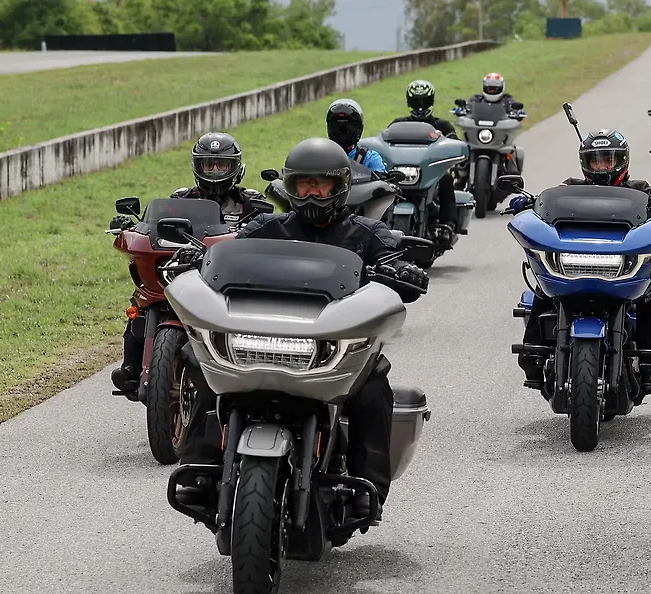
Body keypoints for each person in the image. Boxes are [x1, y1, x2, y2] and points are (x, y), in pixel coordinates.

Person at [173, 138, 429, 524]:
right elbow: (225, 258)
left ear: (339, 187)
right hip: (259, 340)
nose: (312, 194)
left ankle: (369, 486)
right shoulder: (266, 227)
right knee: (199, 359)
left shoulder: (366, 234)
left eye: (321, 185)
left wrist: (405, 270)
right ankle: (199, 464)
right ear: (289, 188)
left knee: (374, 380)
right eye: (302, 185)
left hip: (328, 346)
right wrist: (202, 257)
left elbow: (399, 264)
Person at [510, 129, 651, 391]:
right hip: (574, 265)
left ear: (622, 161)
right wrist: (529, 203)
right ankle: (533, 351)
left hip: (621, 267)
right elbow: (546, 208)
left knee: (648, 291)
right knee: (542, 284)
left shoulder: (641, 190)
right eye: (596, 161)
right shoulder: (570, 189)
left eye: (608, 160)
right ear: (585, 163)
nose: (602, 166)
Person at [108, 132, 265, 394]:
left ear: (236, 167)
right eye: (208, 165)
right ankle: (131, 366)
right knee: (141, 302)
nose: (214, 171)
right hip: (185, 268)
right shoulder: (181, 199)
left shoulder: (250, 202)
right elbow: (157, 226)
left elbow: (267, 228)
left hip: (228, 276)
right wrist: (132, 225)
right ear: (197, 166)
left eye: (221, 165)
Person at [390, 79, 460, 250]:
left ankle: (449, 224)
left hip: (430, 172)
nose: (420, 106)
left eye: (424, 101)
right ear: (409, 101)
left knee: (446, 179)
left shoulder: (442, 125)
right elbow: (385, 142)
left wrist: (452, 144)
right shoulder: (398, 124)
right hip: (405, 171)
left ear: (431, 100)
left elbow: (455, 142)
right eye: (416, 101)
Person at [326, 98, 387, 173]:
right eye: (338, 126)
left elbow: (382, 182)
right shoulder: (322, 157)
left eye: (348, 126)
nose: (343, 130)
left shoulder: (369, 159)